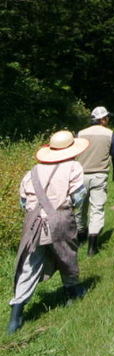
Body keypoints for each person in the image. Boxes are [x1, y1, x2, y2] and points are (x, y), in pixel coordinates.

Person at [7, 130, 89, 335]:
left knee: (29, 265)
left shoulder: (32, 171)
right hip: (60, 218)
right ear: (71, 149)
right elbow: (78, 197)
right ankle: (73, 294)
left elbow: (24, 202)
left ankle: (15, 318)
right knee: (67, 257)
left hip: (33, 221)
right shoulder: (74, 167)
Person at [74, 106, 114, 256]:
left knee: (80, 207)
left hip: (80, 175)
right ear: (102, 119)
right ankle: (92, 247)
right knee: (97, 208)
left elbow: (72, 153)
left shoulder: (80, 133)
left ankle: (80, 238)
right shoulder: (110, 134)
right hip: (99, 175)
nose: (108, 120)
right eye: (107, 117)